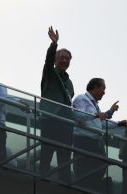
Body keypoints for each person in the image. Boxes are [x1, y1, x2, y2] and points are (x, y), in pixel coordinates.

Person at [39, 26, 74, 183]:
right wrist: (54, 45)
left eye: (68, 59)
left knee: (65, 158)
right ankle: (41, 182)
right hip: (50, 119)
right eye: (62, 57)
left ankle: (64, 186)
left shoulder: (70, 82)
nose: (65, 60)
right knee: (46, 154)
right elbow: (47, 61)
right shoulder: (49, 73)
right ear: (55, 59)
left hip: (66, 124)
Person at [73, 78, 119, 190]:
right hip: (84, 139)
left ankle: (90, 187)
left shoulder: (94, 105)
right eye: (103, 88)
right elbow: (78, 115)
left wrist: (119, 124)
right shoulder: (82, 98)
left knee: (100, 165)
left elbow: (101, 124)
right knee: (85, 167)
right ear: (95, 87)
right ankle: (84, 188)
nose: (104, 92)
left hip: (94, 141)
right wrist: (96, 114)